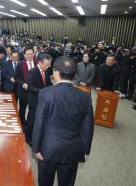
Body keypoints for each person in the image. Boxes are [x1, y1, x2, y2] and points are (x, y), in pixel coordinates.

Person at [32, 56, 94, 186]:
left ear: (57, 72)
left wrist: (36, 147)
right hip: (72, 150)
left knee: (45, 182)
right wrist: (85, 150)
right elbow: (88, 127)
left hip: (48, 149)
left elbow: (39, 122)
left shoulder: (45, 93)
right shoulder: (85, 97)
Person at [25, 54, 52, 145]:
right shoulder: (32, 72)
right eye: (46, 65)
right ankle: (28, 138)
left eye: (49, 65)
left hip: (44, 100)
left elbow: (48, 84)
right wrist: (43, 91)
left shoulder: (47, 72)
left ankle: (37, 135)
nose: (48, 67)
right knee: (32, 119)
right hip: (34, 100)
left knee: (40, 119)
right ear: (40, 62)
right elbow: (30, 87)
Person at [15, 46, 38, 129]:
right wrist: (23, 84)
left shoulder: (37, 63)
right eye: (27, 54)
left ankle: (29, 124)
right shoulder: (20, 64)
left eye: (31, 54)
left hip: (34, 91)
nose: (29, 56)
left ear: (34, 54)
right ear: (24, 55)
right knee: (23, 108)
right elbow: (16, 78)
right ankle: (22, 124)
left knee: (32, 109)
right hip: (23, 91)